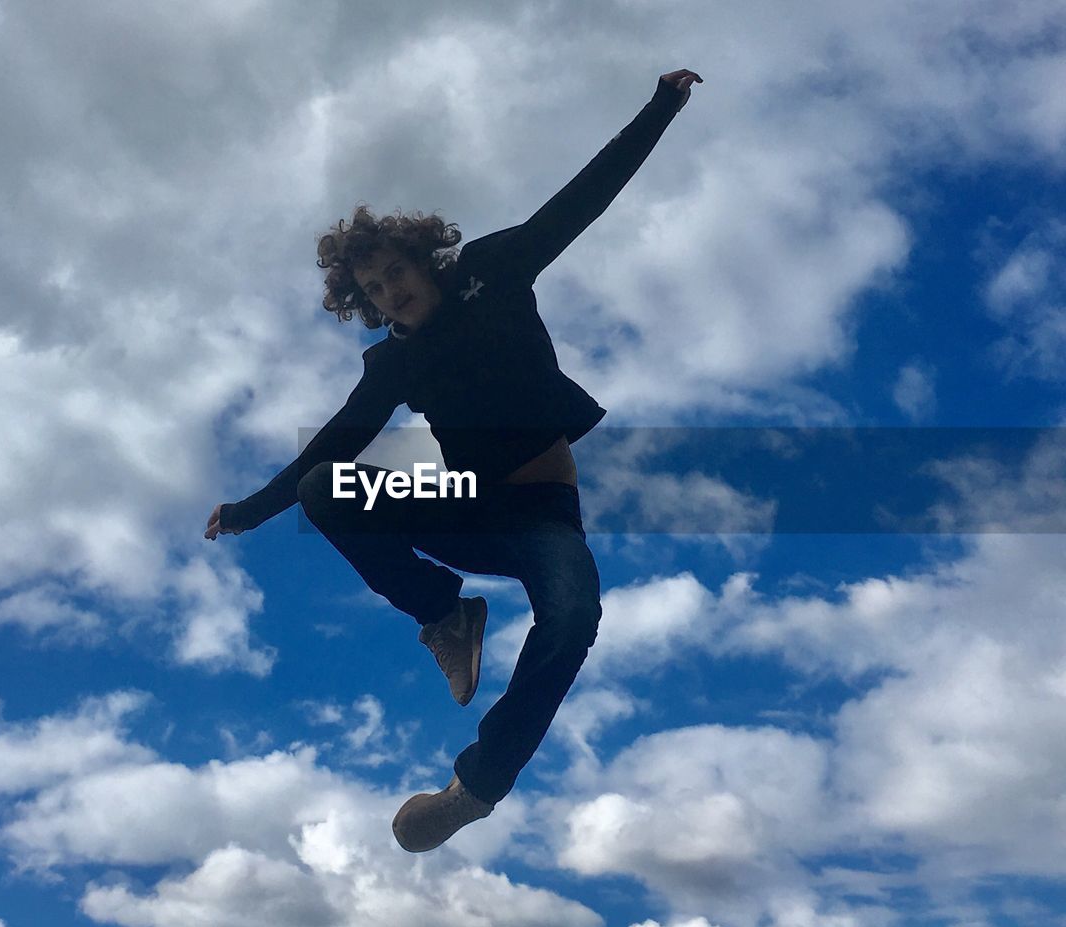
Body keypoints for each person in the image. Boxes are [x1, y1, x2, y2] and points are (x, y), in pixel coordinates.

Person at [205, 68, 703, 852]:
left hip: (541, 515)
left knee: (572, 616)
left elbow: (580, 203)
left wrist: (660, 108)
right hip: (466, 503)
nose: (391, 292)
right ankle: (444, 612)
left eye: (396, 272)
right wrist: (247, 512)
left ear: (423, 260)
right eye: (374, 290)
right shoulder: (392, 365)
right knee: (324, 486)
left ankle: (474, 788)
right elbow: (336, 442)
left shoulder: (493, 270)